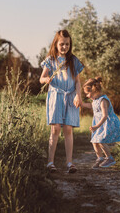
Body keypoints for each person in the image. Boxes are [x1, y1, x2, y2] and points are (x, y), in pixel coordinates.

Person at [39, 29, 84, 173]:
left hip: (70, 96)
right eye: (62, 44)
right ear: (56, 44)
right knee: (56, 128)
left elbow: (77, 82)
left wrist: (78, 95)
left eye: (67, 44)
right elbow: (41, 78)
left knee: (68, 129)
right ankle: (50, 162)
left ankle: (69, 163)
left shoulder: (73, 61)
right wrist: (46, 79)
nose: (64, 47)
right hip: (55, 96)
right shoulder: (50, 60)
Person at [81, 77, 120, 168]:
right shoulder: (95, 100)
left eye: (88, 93)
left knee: (100, 140)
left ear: (94, 90)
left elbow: (105, 116)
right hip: (99, 124)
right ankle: (100, 158)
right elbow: (90, 106)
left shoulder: (103, 100)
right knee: (94, 141)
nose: (87, 96)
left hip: (106, 123)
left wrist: (96, 126)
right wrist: (81, 104)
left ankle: (109, 158)